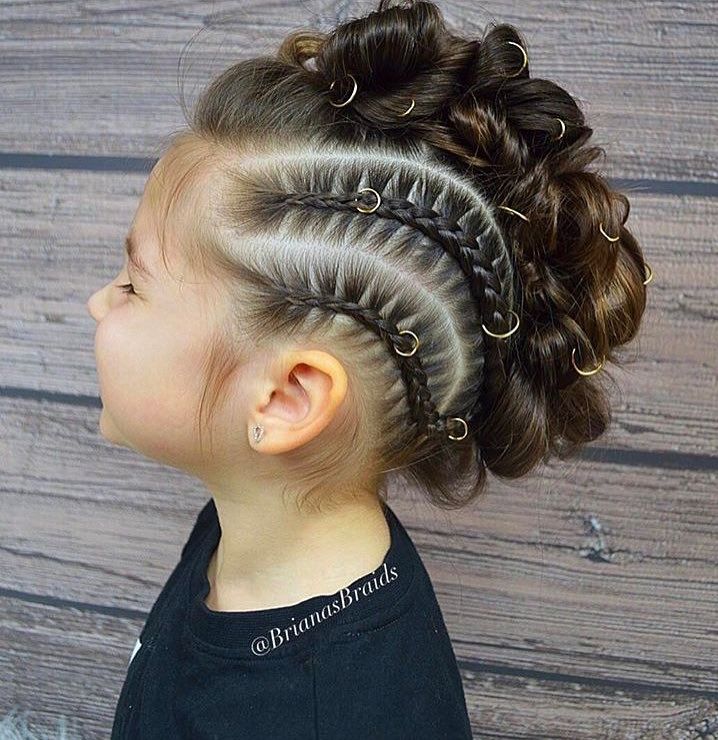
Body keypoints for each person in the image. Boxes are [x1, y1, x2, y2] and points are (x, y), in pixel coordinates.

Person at [85, 1, 650, 737]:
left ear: (288, 398)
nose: (99, 302)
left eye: (134, 285)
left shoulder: (331, 716)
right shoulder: (245, 530)